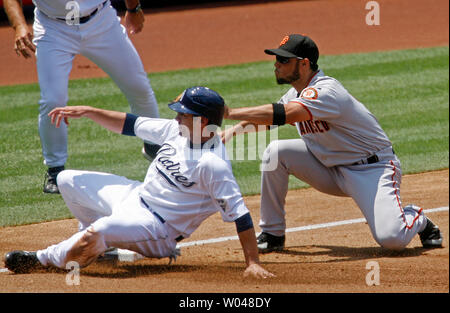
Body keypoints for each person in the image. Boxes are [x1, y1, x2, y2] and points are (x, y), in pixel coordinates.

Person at [4, 86, 275, 279]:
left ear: (202, 120)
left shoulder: (213, 164)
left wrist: (252, 262)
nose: (176, 117)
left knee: (102, 228)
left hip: (158, 228)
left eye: (183, 113)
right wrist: (89, 111)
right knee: (66, 179)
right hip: (134, 196)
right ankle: (97, 246)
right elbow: (129, 124)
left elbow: (240, 215)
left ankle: (44, 259)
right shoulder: (176, 131)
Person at [221, 34, 443, 252]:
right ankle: (272, 234)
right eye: (277, 59)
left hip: (372, 170)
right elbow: (270, 120)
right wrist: (231, 131)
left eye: (284, 60)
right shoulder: (296, 93)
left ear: (304, 64)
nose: (277, 65)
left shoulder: (326, 91)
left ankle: (417, 217)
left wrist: (228, 112)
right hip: (330, 169)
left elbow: (286, 114)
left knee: (392, 239)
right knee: (276, 152)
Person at [3, 0, 161, 194]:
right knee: (52, 100)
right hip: (52, 28)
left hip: (101, 21)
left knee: (138, 87)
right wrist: (19, 25)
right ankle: (55, 170)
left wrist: (133, 8)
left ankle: (154, 146)